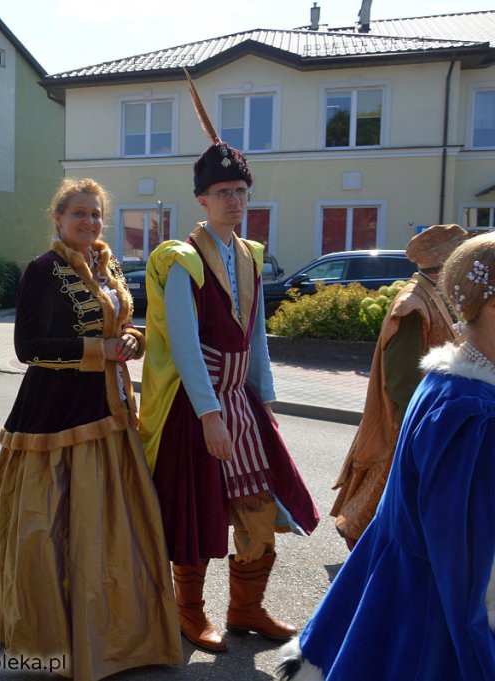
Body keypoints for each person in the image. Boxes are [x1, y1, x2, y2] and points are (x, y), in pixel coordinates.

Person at [0, 178, 182, 680]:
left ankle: (117, 629)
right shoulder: (43, 270)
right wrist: (98, 351)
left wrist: (132, 339)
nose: (89, 222)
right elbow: (28, 347)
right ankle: (53, 632)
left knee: (115, 527)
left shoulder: (107, 265)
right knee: (49, 525)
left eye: (96, 214)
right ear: (58, 218)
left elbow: (119, 324)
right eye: (79, 213)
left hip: (112, 410)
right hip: (56, 414)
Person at [140, 71, 318, 654]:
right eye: (222, 193)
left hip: (241, 401)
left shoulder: (250, 254)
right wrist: (210, 414)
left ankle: (246, 608)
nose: (233, 201)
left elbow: (256, 336)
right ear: (202, 199)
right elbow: (185, 345)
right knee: (195, 512)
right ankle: (189, 612)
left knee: (261, 506)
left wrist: (263, 398)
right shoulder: (181, 258)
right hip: (198, 407)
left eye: (240, 191)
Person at [278, 232, 495, 681]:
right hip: (434, 614)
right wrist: (477, 653)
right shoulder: (474, 413)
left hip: (408, 587)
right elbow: (463, 562)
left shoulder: (449, 384)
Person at [330, 224, 468, 550]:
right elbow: (401, 379)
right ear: (448, 264)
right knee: (377, 500)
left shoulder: (434, 295)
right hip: (406, 421)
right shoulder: (412, 304)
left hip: (427, 417)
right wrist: (419, 427)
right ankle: (366, 552)